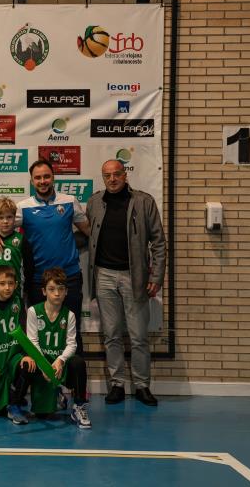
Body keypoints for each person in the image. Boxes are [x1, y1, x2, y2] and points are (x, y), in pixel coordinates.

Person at [0, 158, 90, 353]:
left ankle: (75, 383)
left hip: (69, 277)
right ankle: (43, 381)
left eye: (46, 176)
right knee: (37, 334)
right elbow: (2, 221)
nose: (42, 181)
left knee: (72, 331)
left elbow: (89, 232)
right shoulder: (23, 207)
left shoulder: (69, 201)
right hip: (38, 281)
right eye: (38, 178)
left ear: (53, 178)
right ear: (32, 181)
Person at [87, 160, 166, 406]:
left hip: (135, 277)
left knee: (139, 336)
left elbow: (159, 243)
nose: (112, 179)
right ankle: (117, 385)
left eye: (117, 174)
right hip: (104, 276)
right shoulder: (94, 202)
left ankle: (142, 386)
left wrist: (156, 277)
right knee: (111, 335)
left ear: (125, 175)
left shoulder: (144, 202)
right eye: (107, 175)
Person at [27, 268, 91, 429]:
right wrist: (43, 365)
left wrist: (61, 361)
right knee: (42, 415)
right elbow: (32, 341)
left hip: (59, 366)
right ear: (43, 291)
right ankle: (17, 404)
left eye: (61, 289)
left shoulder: (69, 315)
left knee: (78, 362)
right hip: (42, 364)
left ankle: (79, 406)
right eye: (52, 289)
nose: (57, 293)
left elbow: (72, 344)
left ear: (66, 292)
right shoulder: (33, 312)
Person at [0, 265, 35, 424]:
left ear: (16, 285)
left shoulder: (18, 303)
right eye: (2, 283)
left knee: (28, 366)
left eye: (11, 283)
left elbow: (25, 332)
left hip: (14, 355)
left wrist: (26, 355)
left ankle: (15, 404)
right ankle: (6, 396)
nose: (7, 287)